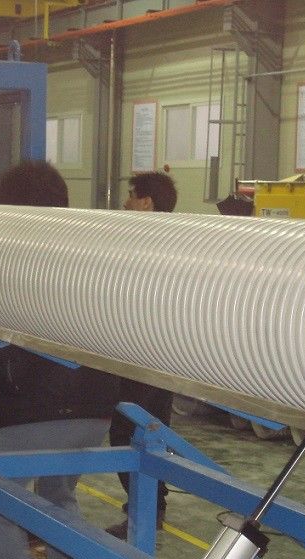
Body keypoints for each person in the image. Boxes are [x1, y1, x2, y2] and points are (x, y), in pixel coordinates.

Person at [0, 161, 119, 559]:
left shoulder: (22, 251)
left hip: (41, 407)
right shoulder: (92, 247)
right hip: (96, 407)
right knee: (57, 503)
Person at [106, 171, 178, 539]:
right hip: (160, 353)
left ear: (146, 202)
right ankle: (150, 507)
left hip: (145, 354)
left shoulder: (146, 245)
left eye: (132, 195)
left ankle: (147, 510)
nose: (126, 202)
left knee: (127, 430)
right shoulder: (174, 241)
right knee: (150, 428)